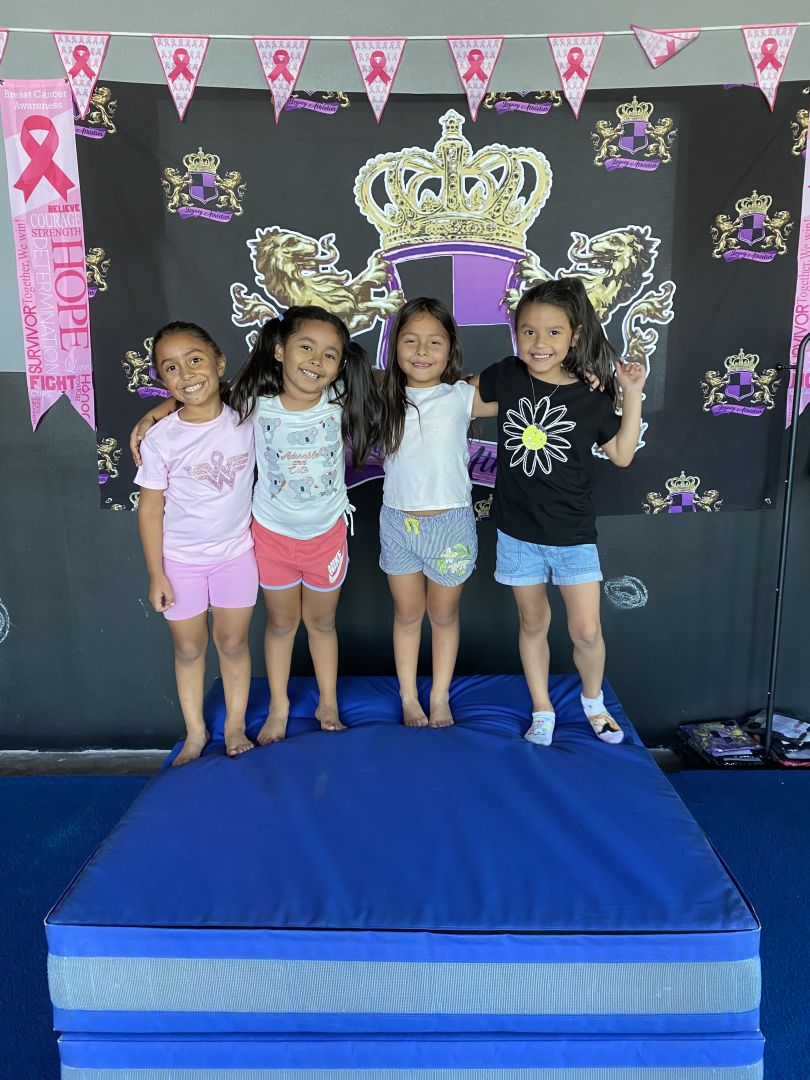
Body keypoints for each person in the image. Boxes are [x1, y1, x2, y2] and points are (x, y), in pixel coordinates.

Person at [133, 306, 380, 745]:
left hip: (326, 536)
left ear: (340, 363)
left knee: (322, 623)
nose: (315, 360)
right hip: (270, 536)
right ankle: (278, 707)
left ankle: (327, 702)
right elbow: (201, 392)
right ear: (281, 350)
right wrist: (157, 414)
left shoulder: (340, 397)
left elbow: (404, 382)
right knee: (281, 624)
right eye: (306, 347)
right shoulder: (253, 406)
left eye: (329, 354)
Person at [473, 278, 646, 746]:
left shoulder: (592, 395)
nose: (539, 342)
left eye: (553, 332)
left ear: (574, 335)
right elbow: (457, 402)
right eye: (528, 331)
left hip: (572, 534)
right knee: (532, 623)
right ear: (515, 334)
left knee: (586, 631)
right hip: (517, 532)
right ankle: (542, 708)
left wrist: (632, 392)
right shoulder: (508, 375)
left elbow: (622, 454)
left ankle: (593, 702)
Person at [135, 322, 257, 766]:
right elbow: (150, 509)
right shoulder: (161, 439)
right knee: (188, 649)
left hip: (236, 555)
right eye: (171, 368)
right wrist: (156, 573)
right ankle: (195, 731)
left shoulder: (247, 416)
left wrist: (155, 410)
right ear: (162, 380)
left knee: (233, 643)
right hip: (180, 562)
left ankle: (235, 725)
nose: (186, 373)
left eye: (195, 360)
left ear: (219, 362)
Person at [379, 297, 497, 728]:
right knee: (408, 615)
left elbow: (526, 388)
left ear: (450, 349)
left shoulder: (461, 396)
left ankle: (440, 695)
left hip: (450, 527)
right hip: (398, 524)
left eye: (434, 342)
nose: (422, 351)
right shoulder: (382, 395)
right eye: (410, 340)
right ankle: (410, 697)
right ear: (395, 346)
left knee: (443, 615)